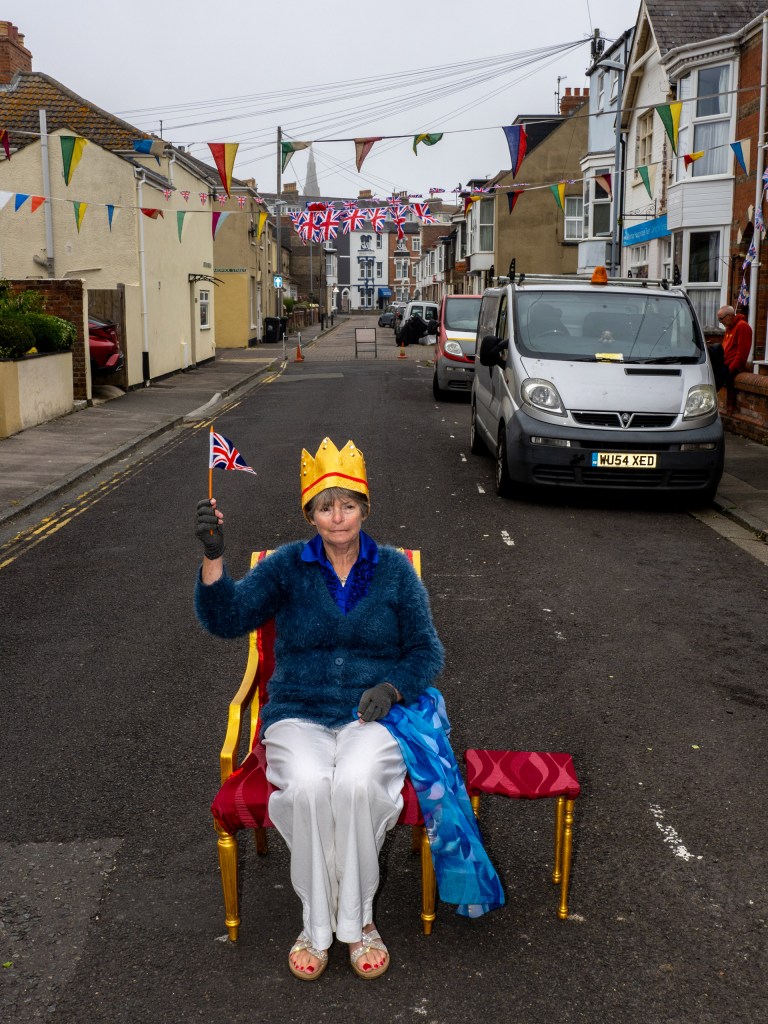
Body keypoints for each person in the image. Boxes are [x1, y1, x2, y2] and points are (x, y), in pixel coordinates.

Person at [194, 438, 445, 982]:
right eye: (326, 506)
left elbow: (427, 650)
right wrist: (214, 560)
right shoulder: (287, 566)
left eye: (348, 504)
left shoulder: (396, 572)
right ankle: (316, 924)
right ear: (310, 513)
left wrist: (394, 687)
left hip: (369, 715)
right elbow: (227, 617)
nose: (338, 516)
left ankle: (357, 924)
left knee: (355, 786)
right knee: (308, 787)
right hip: (299, 712)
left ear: (365, 509)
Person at [711, 305, 752, 391]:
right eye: (719, 320)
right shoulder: (729, 327)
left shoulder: (742, 326)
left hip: (730, 368)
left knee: (713, 387)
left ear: (729, 315)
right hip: (724, 365)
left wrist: (730, 369)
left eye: (721, 319)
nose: (720, 322)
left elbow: (742, 353)